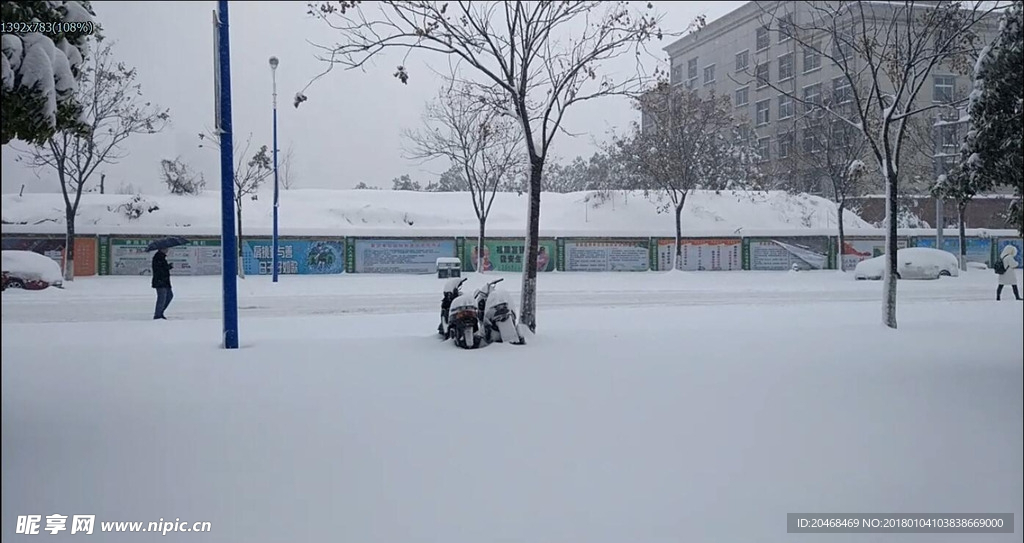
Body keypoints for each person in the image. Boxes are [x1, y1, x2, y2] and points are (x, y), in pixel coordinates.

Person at [152, 248, 174, 319]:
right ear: (161, 249)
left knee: (169, 296)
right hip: (160, 281)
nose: (167, 250)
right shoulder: (158, 257)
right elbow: (159, 269)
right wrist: (167, 267)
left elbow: (162, 268)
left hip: (164, 281)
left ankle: (160, 312)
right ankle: (158, 314)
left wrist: (168, 267)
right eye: (165, 248)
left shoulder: (162, 257)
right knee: (162, 298)